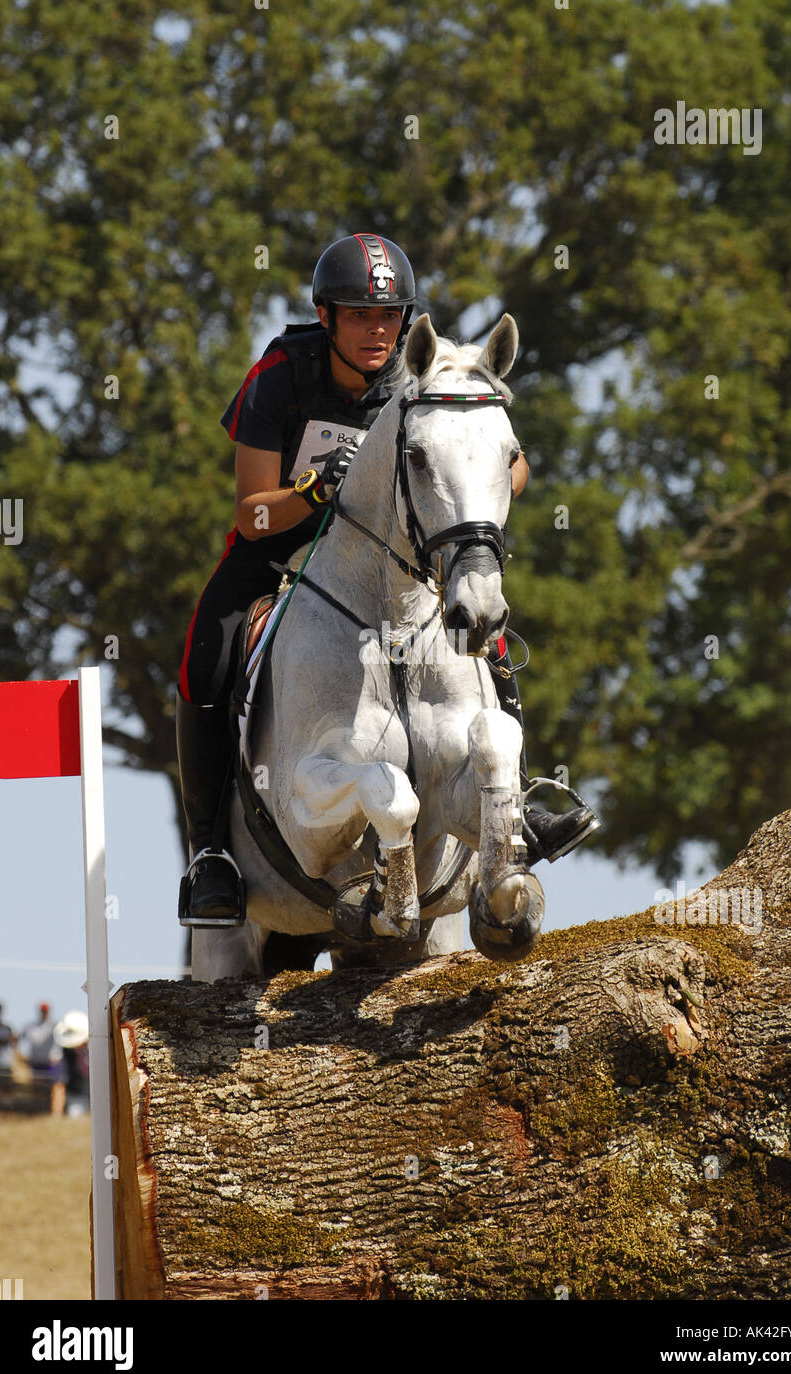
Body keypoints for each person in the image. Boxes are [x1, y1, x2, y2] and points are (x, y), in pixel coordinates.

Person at [176, 232, 596, 926]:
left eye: (390, 316)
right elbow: (251, 512)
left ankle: (519, 801)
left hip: (389, 557)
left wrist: (485, 483)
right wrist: (311, 493)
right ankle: (210, 852)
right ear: (325, 316)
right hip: (280, 544)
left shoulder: (416, 379)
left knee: (481, 632)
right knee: (204, 660)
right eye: (360, 316)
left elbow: (511, 466)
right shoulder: (279, 376)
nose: (378, 331)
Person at [51, 1011, 90, 1118]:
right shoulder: (63, 1055)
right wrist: (57, 1113)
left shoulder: (97, 1048)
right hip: (77, 1097)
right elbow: (59, 1083)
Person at [19, 1002, 62, 1093]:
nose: (44, 1013)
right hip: (36, 1063)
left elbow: (63, 1041)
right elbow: (20, 1039)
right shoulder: (31, 1026)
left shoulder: (54, 1026)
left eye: (45, 1011)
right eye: (42, 1011)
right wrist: (22, 1056)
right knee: (36, 1088)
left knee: (52, 1089)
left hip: (50, 1063)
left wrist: (58, 1056)